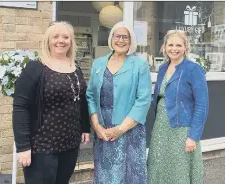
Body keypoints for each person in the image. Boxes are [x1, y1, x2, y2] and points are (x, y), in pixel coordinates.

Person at [12, 21, 90, 184]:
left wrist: (85, 127)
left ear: (71, 41)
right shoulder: (36, 67)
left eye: (65, 37)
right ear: (48, 40)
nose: (60, 40)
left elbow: (81, 100)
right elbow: (21, 107)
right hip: (42, 146)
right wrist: (23, 146)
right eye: (55, 36)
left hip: (70, 143)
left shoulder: (75, 67)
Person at [86, 21, 152, 184]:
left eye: (125, 37)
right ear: (111, 38)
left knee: (128, 175)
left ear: (131, 41)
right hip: (103, 129)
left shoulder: (139, 65)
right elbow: (90, 95)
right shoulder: (98, 64)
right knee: (105, 173)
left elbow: (143, 100)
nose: (121, 40)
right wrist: (97, 126)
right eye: (117, 36)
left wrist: (120, 129)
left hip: (129, 130)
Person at [147, 30, 209, 184]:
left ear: (185, 48)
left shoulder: (193, 69)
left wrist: (193, 137)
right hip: (161, 128)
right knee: (158, 166)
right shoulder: (162, 69)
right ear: (165, 47)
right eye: (170, 45)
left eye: (178, 45)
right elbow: (160, 97)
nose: (174, 48)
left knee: (179, 170)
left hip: (182, 130)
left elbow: (202, 105)